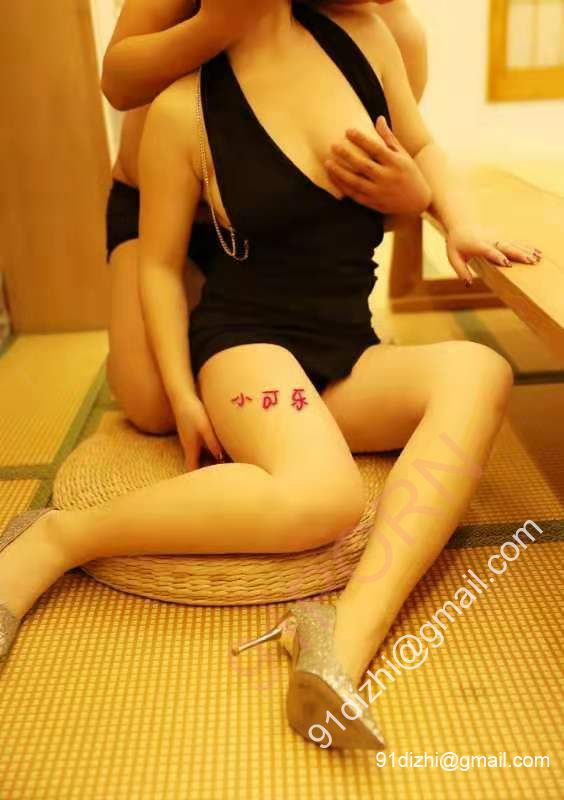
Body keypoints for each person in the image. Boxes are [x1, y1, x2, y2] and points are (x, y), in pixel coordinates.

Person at [0, 1, 541, 751]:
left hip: (348, 350)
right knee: (325, 495)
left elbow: (420, 142)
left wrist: (459, 221)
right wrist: (183, 393)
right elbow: (159, 267)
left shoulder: (364, 38)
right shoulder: (183, 106)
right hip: (248, 349)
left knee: (479, 368)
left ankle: (341, 635)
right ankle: (57, 537)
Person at [102, 0, 431, 447]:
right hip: (160, 209)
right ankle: (143, 343)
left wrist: (414, 200)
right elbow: (117, 84)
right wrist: (218, 26)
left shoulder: (382, 32)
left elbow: (385, 184)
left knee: (308, 374)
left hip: (280, 227)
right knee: (154, 405)